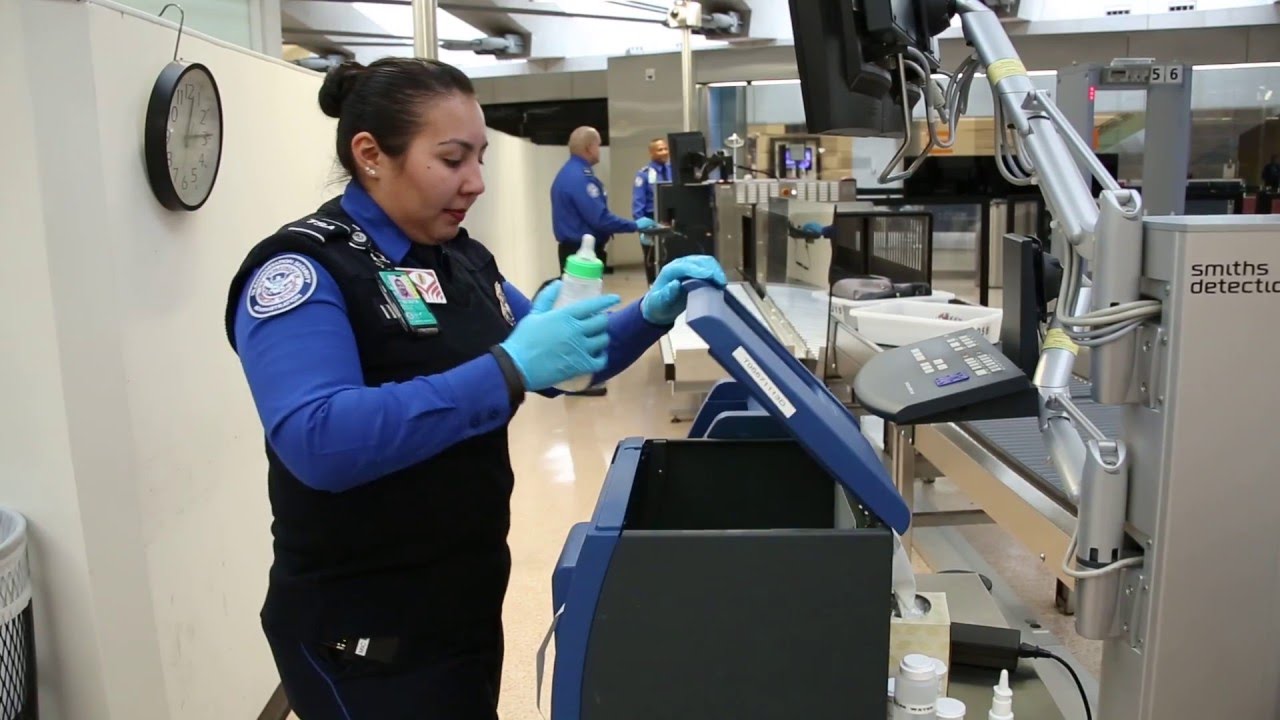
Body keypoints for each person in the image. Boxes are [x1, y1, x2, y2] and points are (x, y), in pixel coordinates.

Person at [224, 57, 725, 719]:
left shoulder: (459, 257)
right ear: (371, 154)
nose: (477, 183)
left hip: (459, 603)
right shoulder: (304, 272)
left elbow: (566, 362)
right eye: (453, 159)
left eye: (480, 158)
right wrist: (507, 369)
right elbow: (319, 440)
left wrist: (649, 315)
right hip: (365, 633)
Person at [551, 126, 658, 276]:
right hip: (583, 254)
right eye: (598, 145)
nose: (599, 150)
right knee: (586, 297)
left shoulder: (569, 173)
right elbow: (600, 219)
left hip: (577, 251)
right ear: (589, 148)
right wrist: (634, 225)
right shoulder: (581, 179)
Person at [631, 137, 671, 285]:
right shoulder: (644, 174)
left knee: (669, 260)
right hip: (651, 220)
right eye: (660, 149)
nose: (664, 152)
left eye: (666, 148)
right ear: (651, 153)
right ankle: (652, 290)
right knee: (652, 262)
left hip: (669, 220)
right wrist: (642, 227)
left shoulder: (673, 170)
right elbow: (638, 203)